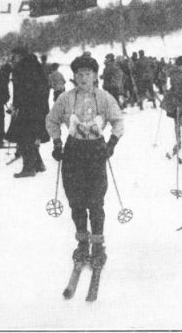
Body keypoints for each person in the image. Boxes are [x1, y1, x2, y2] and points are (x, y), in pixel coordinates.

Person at [46, 54, 124, 273]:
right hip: (73, 152)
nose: (83, 78)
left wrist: (112, 143)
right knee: (76, 200)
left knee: (95, 200)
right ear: (74, 77)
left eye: (87, 74)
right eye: (79, 74)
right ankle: (82, 242)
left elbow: (118, 120)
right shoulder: (66, 98)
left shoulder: (104, 97)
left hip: (96, 152)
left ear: (94, 76)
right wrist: (57, 143)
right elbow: (52, 120)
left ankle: (98, 244)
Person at [6, 46, 50, 178]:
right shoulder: (35, 65)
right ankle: (38, 164)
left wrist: (16, 106)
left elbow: (22, 90)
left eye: (14, 56)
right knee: (32, 136)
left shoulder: (21, 68)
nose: (12, 58)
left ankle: (28, 168)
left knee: (24, 137)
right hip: (39, 107)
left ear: (20, 55)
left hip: (27, 109)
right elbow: (43, 87)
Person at [160, 56, 182, 160]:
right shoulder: (176, 74)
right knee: (180, 123)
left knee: (181, 123)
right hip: (177, 102)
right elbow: (177, 89)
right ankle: (181, 143)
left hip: (181, 102)